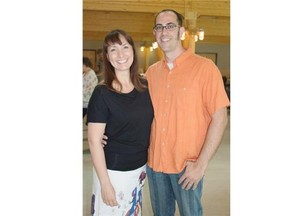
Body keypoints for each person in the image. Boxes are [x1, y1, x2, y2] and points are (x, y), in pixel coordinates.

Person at [144, 9, 230, 215]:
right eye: (159, 27)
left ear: (181, 31)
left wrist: (201, 165)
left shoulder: (205, 69)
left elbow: (220, 118)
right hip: (155, 164)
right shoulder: (151, 73)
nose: (164, 31)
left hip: (187, 166)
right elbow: (140, 115)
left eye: (170, 26)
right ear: (155, 33)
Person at [87, 29, 154, 216]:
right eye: (113, 49)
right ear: (107, 57)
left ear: (133, 51)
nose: (121, 54)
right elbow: (94, 141)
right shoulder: (102, 93)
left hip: (139, 169)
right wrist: (105, 183)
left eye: (125, 47)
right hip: (113, 171)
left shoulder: (146, 88)